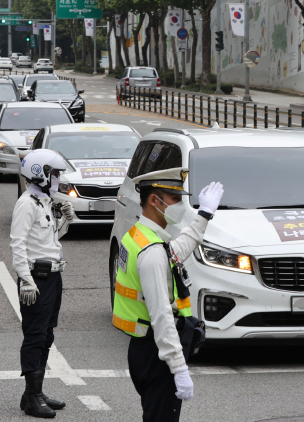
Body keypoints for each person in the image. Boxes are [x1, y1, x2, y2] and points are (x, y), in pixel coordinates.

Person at [112, 167, 224, 422]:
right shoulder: (151, 252)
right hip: (156, 355)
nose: (181, 206)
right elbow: (161, 315)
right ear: (155, 200)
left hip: (144, 349)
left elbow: (176, 251)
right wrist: (178, 367)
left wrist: (205, 215)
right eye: (175, 199)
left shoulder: (139, 236)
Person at [10, 149, 75, 418]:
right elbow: (18, 244)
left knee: (47, 334)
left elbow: (49, 242)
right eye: (55, 173)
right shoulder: (26, 204)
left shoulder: (44, 201)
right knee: (35, 336)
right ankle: (33, 397)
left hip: (53, 276)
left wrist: (65, 220)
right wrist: (25, 279)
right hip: (37, 279)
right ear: (41, 174)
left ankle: (32, 393)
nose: (58, 178)